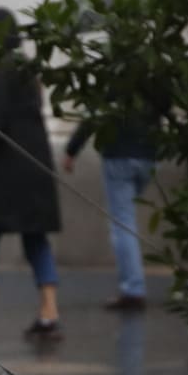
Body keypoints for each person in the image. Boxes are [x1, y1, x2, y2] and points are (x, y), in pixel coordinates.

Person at [0, 9, 63, 344]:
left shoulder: (0, 74)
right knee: (36, 241)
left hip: (1, 174)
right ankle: (49, 312)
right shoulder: (27, 71)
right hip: (33, 169)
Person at [62, 103, 156, 310]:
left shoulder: (111, 79)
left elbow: (93, 112)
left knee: (123, 223)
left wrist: (72, 150)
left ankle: (133, 288)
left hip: (118, 153)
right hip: (148, 153)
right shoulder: (151, 77)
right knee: (126, 218)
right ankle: (133, 284)